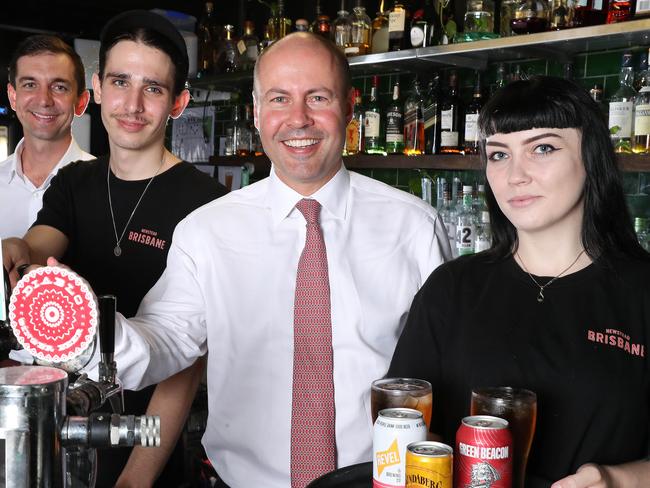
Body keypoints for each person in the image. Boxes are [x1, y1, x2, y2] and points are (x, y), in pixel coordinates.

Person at [53, 31, 453, 487]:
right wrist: (86, 326)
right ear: (258, 112)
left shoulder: (415, 228)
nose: (298, 119)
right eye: (280, 99)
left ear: (349, 104)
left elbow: (448, 372)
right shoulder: (206, 231)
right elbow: (163, 345)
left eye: (317, 97)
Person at [387, 76, 650, 488]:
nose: (515, 175)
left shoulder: (642, 291)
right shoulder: (451, 289)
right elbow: (410, 430)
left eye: (542, 148)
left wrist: (615, 480)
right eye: (498, 155)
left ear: (591, 157)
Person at [2, 10, 227, 488]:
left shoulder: (206, 204)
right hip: (62, 427)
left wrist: (137, 477)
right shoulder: (75, 181)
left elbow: (187, 361)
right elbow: (41, 246)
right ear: (99, 87)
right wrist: (17, 254)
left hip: (153, 437)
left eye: (153, 88)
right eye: (121, 81)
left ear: (179, 103)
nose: (132, 104)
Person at [0, 35, 94, 239]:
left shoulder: (106, 188)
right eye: (30, 85)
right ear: (13, 97)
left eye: (59, 87)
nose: (44, 100)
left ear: (81, 101)